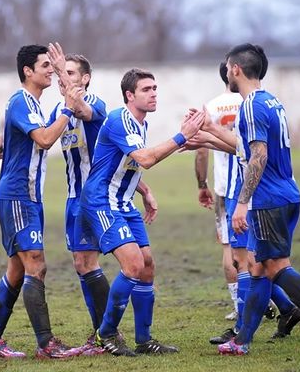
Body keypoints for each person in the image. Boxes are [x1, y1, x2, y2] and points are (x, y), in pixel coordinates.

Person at [202, 43, 300, 356]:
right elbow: (246, 148)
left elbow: (258, 155)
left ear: (236, 70)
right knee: (258, 268)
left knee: (278, 268)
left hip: (268, 199)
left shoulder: (252, 105)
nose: (227, 72)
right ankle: (242, 340)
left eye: (228, 67)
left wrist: (242, 203)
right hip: (284, 193)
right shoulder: (270, 101)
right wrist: (210, 130)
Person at [77, 68, 205, 356]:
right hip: (101, 201)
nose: (154, 93)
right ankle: (106, 333)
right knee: (133, 264)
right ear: (129, 95)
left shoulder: (140, 123)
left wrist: (144, 191)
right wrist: (181, 136)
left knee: (146, 265)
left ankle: (144, 340)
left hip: (124, 203)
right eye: (147, 89)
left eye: (155, 88)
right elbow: (145, 158)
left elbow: (126, 164)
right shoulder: (119, 119)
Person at [0, 43, 81, 359]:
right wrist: (68, 109)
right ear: (27, 71)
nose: (50, 70)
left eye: (51, 66)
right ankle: (47, 345)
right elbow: (46, 139)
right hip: (18, 195)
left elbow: (17, 131)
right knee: (37, 264)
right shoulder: (21, 100)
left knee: (17, 272)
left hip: (28, 197)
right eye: (45, 65)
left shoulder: (31, 103)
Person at [46, 53, 109, 355]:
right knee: (81, 264)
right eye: (60, 71)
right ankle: (102, 333)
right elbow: (38, 133)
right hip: (73, 198)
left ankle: (106, 333)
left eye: (69, 72)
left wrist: (60, 72)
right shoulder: (60, 109)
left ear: (85, 79)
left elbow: (82, 110)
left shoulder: (95, 103)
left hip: (94, 199)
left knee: (89, 263)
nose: (62, 77)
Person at [194, 62, 243, 322]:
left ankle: (240, 305)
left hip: (226, 186)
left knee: (229, 248)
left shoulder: (211, 107)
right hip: (258, 184)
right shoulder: (253, 101)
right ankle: (263, 298)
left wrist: (202, 185)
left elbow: (201, 150)